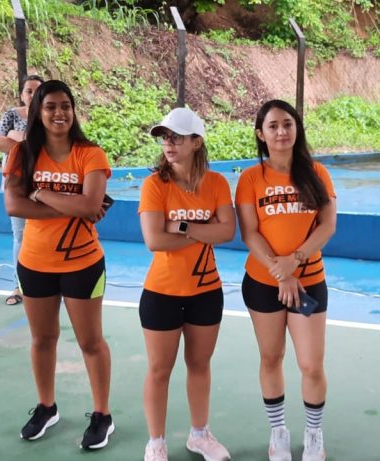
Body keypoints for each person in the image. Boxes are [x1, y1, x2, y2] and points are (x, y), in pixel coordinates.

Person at [2, 80, 114, 450]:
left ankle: (102, 415)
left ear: (73, 110)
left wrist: (39, 192)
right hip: (35, 263)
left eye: (65, 105)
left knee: (90, 341)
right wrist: (71, 205)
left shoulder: (90, 154)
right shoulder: (23, 154)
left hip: (83, 264)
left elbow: (90, 206)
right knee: (42, 339)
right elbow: (13, 205)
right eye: (50, 106)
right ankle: (46, 407)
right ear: (38, 111)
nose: (59, 113)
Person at [235, 99, 336, 461]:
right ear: (261, 134)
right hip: (262, 283)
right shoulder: (250, 178)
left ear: (297, 129)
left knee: (311, 364)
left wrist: (295, 262)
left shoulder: (317, 173)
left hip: (309, 281)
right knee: (271, 356)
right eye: (273, 126)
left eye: (288, 124)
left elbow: (327, 225)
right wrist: (280, 271)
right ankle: (278, 431)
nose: (281, 132)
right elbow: (249, 232)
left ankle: (313, 434)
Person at [138, 107, 235, 461]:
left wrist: (180, 227)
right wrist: (204, 231)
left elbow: (227, 231)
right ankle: (156, 442)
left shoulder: (217, 183)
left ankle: (199, 435)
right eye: (166, 137)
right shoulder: (154, 185)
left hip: (205, 292)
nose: (169, 143)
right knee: (159, 370)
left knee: (199, 365)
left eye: (177, 137)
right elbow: (154, 240)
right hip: (161, 293)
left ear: (197, 142)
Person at [0, 75, 44, 305]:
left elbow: (46, 147)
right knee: (20, 235)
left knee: (46, 231)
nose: (32, 95)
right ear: (22, 94)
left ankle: (49, 282)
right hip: (16, 183)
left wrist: (14, 136)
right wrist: (24, 143)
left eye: (37, 90)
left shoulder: (48, 116)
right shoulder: (11, 115)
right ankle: (19, 285)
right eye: (28, 90)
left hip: (44, 183)